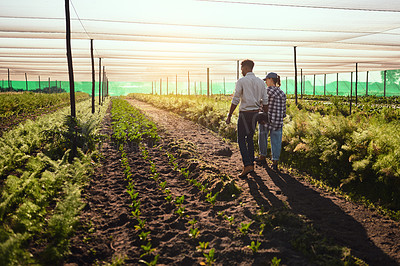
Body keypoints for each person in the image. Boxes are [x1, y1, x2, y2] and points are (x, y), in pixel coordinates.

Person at [226, 60, 268, 177]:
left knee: (241, 139)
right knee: (249, 139)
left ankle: (247, 165)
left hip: (245, 114)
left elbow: (236, 99)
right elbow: (265, 101)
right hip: (255, 114)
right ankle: (251, 166)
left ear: (244, 68)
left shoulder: (242, 81)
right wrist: (265, 115)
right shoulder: (260, 82)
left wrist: (229, 115)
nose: (241, 71)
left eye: (241, 69)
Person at [257, 72, 286, 171]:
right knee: (276, 141)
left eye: (266, 80)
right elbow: (284, 110)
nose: (266, 82)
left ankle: (262, 157)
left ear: (270, 79)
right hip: (278, 121)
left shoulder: (266, 91)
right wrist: (280, 117)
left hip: (266, 120)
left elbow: (261, 105)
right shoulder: (282, 93)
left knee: (262, 137)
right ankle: (275, 162)